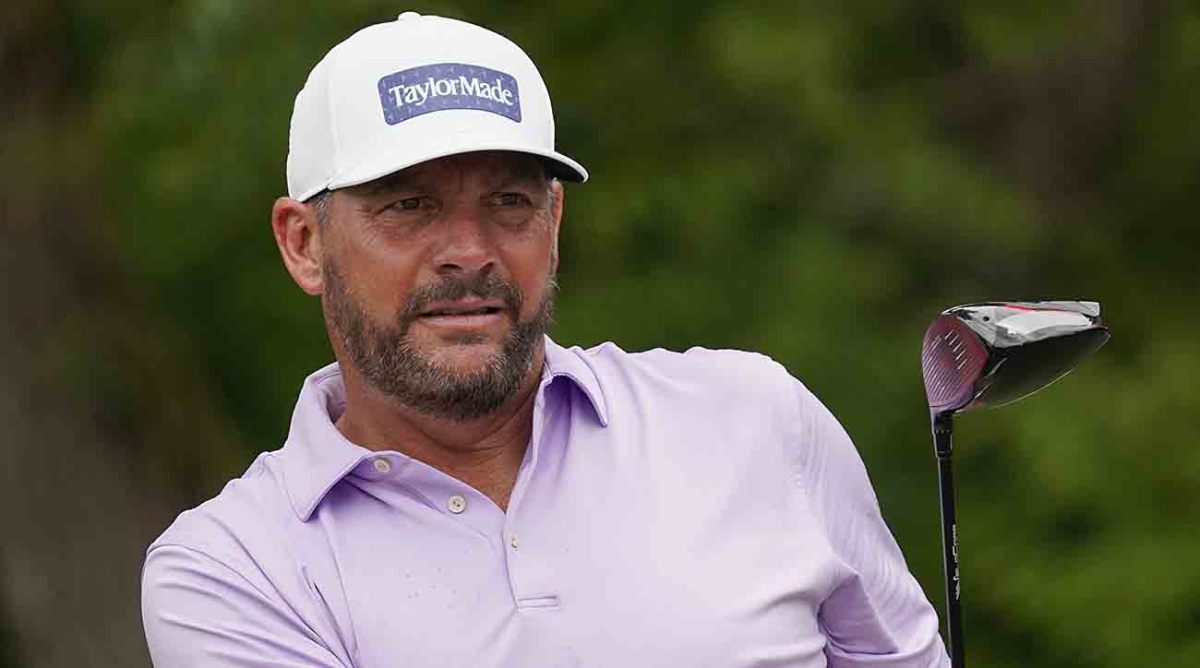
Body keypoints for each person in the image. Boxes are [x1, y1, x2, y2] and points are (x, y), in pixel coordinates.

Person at [141, 12, 950, 667]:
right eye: (408, 207)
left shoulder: (755, 421)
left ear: (554, 223)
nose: (469, 250)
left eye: (509, 201)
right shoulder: (233, 571)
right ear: (305, 244)